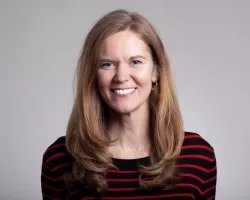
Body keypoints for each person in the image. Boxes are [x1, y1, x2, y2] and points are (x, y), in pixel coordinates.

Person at [41, 9, 217, 200]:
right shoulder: (59, 159)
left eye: (135, 61)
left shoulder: (199, 156)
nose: (122, 77)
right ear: (93, 75)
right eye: (107, 64)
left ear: (155, 72)